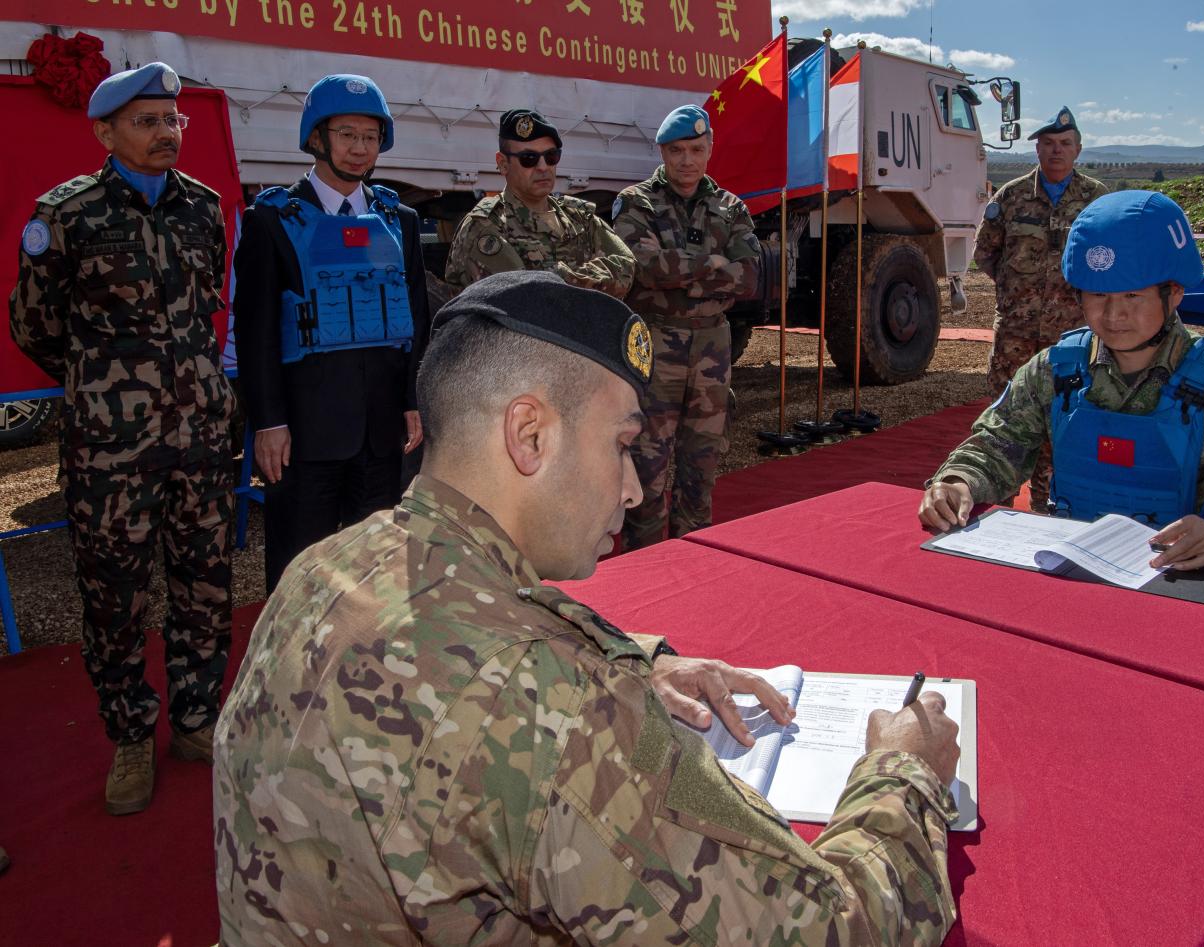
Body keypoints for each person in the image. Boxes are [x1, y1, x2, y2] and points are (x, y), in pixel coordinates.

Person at [214, 271, 962, 945]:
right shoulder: (559, 712)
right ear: (530, 434)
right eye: (622, 445)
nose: (634, 489)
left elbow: (453, 642)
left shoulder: (325, 567)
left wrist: (643, 661)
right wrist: (903, 769)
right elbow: (834, 929)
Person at [9, 63, 236, 815]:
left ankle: (197, 721)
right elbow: (36, 328)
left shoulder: (203, 208)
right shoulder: (63, 216)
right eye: (147, 121)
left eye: (173, 120)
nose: (167, 133)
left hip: (200, 440)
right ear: (105, 133)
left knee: (204, 588)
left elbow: (209, 307)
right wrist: (108, 387)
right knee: (115, 599)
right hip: (111, 452)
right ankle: (132, 734)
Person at [921, 190, 1204, 569]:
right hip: (1070, 565)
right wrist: (958, 484)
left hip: (1186, 577)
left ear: (1174, 293)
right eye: (1098, 296)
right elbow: (995, 447)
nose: (1113, 317)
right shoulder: (1057, 369)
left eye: (1132, 297)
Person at [233, 73, 431, 594]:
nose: (359, 148)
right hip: (304, 434)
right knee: (302, 568)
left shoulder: (399, 219)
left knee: (378, 564)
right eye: (346, 134)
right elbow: (254, 333)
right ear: (317, 138)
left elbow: (415, 315)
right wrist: (269, 422)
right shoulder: (272, 219)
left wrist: (413, 399)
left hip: (380, 432)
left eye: (370, 137)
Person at [613, 104, 760, 548]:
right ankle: (644, 565)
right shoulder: (637, 203)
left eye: (696, 149)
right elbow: (643, 266)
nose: (687, 160)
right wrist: (713, 266)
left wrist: (682, 276)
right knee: (648, 467)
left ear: (710, 147)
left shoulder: (730, 207)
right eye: (677, 150)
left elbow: (750, 276)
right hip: (657, 343)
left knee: (702, 465)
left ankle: (694, 564)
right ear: (662, 151)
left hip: (713, 346)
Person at [974, 106, 1110, 511]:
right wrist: (1020, 294)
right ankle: (996, 503)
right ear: (1036, 150)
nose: (1056, 151)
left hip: (1071, 334)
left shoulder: (1097, 200)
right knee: (1006, 415)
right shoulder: (1011, 196)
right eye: (1048, 144)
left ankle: (1049, 506)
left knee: (1064, 418)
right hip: (1015, 334)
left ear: (1078, 150)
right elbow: (985, 253)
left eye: (1064, 144)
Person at [444, 108, 634, 297]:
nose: (543, 167)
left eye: (551, 156)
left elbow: (627, 267)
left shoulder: (579, 218)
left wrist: (561, 277)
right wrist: (593, 283)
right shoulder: (486, 226)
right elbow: (525, 296)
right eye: (529, 159)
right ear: (503, 164)